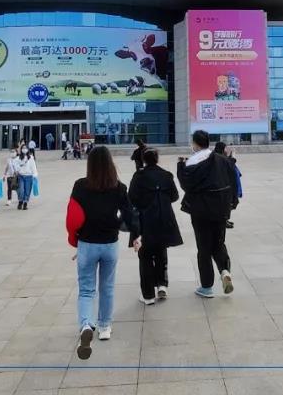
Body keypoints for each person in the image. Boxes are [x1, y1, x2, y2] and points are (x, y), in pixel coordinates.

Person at [65, 145, 137, 359]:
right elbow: (129, 215)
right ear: (110, 163)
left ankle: (87, 325)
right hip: (109, 244)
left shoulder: (80, 186)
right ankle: (105, 327)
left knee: (86, 290)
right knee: (107, 287)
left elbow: (72, 217)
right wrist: (136, 236)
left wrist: (75, 241)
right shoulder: (119, 187)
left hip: (87, 243)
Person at [177, 130, 236, 298]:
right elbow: (232, 181)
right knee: (219, 242)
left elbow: (186, 184)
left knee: (204, 248)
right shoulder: (222, 160)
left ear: (195, 144)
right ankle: (224, 270)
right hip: (221, 209)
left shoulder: (192, 162)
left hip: (201, 211)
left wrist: (180, 166)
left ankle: (207, 287)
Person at [127, 148, 183, 304]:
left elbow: (131, 198)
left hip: (145, 221)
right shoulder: (166, 175)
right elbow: (174, 196)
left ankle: (148, 295)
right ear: (157, 159)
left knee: (145, 255)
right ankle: (162, 285)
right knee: (161, 251)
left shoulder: (139, 176)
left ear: (144, 160)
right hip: (164, 219)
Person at [213, 142, 242, 228]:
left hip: (228, 186)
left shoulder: (220, 156)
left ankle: (225, 220)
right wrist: (233, 157)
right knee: (227, 204)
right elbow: (229, 164)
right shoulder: (218, 157)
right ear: (222, 148)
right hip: (224, 187)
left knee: (230, 204)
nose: (227, 149)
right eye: (225, 148)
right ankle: (223, 221)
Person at [14, 146, 39, 210]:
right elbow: (15, 165)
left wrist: (35, 175)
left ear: (28, 149)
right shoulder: (18, 158)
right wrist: (17, 169)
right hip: (21, 176)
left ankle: (25, 203)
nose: (24, 149)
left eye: (25, 148)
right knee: (21, 190)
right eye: (23, 148)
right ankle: (20, 201)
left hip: (29, 176)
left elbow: (33, 167)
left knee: (27, 191)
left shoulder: (31, 158)